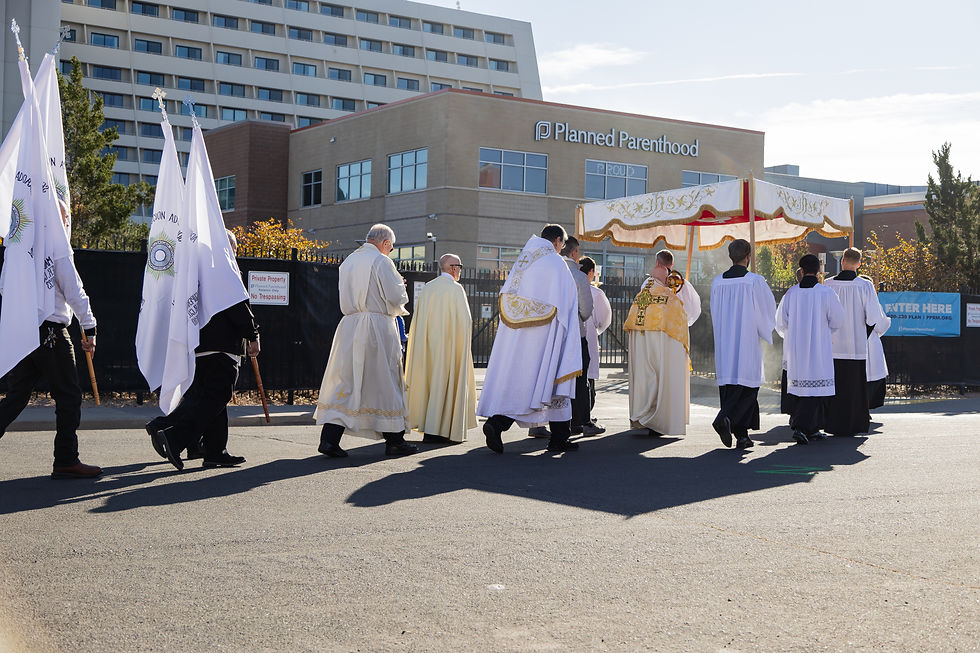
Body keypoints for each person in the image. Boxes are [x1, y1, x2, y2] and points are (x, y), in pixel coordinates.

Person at [148, 230, 259, 470]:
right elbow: (238, 307)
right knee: (215, 398)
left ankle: (215, 450)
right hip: (222, 345)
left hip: (201, 344)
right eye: (235, 249)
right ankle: (173, 435)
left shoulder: (198, 271)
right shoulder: (225, 270)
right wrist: (253, 335)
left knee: (210, 399)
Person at [314, 224, 418, 458]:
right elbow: (395, 297)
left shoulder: (348, 261)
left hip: (350, 325)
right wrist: (401, 284)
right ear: (384, 243)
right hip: (376, 327)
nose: (390, 251)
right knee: (385, 382)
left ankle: (329, 439)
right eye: (390, 247)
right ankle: (395, 441)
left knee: (347, 382)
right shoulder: (382, 261)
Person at [0, 242, 101, 479]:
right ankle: (66, 459)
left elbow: (5, 287)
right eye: (63, 216)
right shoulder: (56, 245)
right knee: (68, 396)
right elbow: (74, 289)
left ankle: (66, 458)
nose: (65, 221)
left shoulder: (19, 249)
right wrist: (89, 326)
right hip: (51, 330)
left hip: (26, 329)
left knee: (17, 395)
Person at [478, 224, 582, 454]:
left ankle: (497, 423)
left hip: (519, 337)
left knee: (522, 382)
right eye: (562, 245)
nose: (562, 248)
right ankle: (558, 439)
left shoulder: (524, 261)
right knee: (550, 383)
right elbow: (568, 302)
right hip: (547, 336)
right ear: (557, 241)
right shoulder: (556, 263)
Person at [709, 239, 777, 449]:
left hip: (725, 340)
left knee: (730, 385)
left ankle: (741, 434)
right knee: (748, 386)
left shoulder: (718, 282)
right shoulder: (755, 281)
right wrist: (765, 329)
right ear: (748, 255)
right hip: (746, 338)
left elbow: (713, 311)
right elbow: (767, 311)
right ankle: (727, 420)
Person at [625, 249, 701, 437]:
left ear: (657, 264)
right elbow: (693, 311)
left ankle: (647, 415)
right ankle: (666, 418)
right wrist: (681, 326)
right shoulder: (684, 285)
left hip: (646, 336)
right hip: (670, 338)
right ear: (671, 265)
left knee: (650, 376)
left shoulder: (645, 285)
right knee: (666, 376)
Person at [405, 253, 477, 444]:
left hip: (428, 346)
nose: (460, 270)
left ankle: (430, 429)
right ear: (453, 268)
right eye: (459, 266)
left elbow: (419, 320)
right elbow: (465, 321)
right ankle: (444, 429)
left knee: (430, 384)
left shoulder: (428, 288)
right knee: (446, 385)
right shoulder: (455, 289)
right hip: (450, 346)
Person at [775, 254, 846, 444]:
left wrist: (792, 336)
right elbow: (838, 320)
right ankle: (800, 427)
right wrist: (824, 331)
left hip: (797, 348)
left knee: (801, 389)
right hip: (818, 347)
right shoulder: (826, 293)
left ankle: (811, 429)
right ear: (820, 271)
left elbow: (781, 322)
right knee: (815, 389)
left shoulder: (791, 293)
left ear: (801, 269)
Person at [824, 248, 889, 437]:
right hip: (855, 348)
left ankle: (832, 424)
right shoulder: (865, 286)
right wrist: (862, 332)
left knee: (835, 386)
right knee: (854, 388)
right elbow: (874, 317)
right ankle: (854, 425)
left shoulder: (828, 284)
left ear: (842, 260)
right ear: (859, 264)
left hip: (833, 347)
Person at [559, 237, 596, 436]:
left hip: (554, 335)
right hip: (575, 334)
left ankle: (558, 423)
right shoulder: (578, 276)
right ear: (574, 252)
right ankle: (578, 422)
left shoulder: (553, 272)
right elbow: (586, 310)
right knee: (579, 381)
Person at [580, 256, 612, 432]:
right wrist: (597, 329)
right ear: (591, 272)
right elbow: (605, 319)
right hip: (588, 337)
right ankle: (583, 419)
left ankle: (579, 417)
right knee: (588, 383)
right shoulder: (596, 293)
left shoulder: (569, 286)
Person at [860, 274, 892, 410]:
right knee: (871, 378)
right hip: (870, 341)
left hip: (853, 343)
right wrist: (887, 321)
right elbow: (879, 325)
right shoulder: (874, 303)